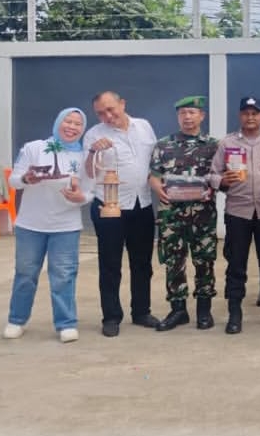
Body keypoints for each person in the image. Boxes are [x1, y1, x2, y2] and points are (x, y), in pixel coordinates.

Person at [3, 108, 91, 343]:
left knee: (63, 275)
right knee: (25, 273)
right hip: (30, 224)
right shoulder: (34, 148)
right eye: (68, 121)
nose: (72, 127)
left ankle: (66, 323)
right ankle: (17, 319)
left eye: (78, 124)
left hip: (66, 226)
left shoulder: (84, 156)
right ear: (58, 122)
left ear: (82, 129)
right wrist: (26, 179)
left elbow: (90, 190)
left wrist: (81, 198)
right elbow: (13, 180)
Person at [84, 91, 160, 337]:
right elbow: (88, 172)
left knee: (142, 262)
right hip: (109, 206)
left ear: (123, 104)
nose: (107, 116)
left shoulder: (144, 126)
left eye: (111, 109)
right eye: (100, 113)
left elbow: (154, 162)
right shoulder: (94, 135)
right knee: (110, 264)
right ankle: (111, 316)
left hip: (141, 203)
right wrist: (93, 152)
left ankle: (141, 311)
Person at [208, 96, 260, 334]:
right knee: (236, 264)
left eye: (255, 113)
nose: (250, 117)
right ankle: (235, 313)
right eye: (246, 113)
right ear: (240, 116)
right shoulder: (227, 143)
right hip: (237, 212)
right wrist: (222, 180)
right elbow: (212, 174)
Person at [148, 96, 220, 332]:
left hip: (203, 214)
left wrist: (214, 187)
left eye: (192, 112)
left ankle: (204, 310)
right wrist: (157, 188)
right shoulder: (163, 145)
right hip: (172, 214)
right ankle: (178, 310)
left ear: (202, 116)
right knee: (174, 261)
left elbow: (222, 176)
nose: (187, 117)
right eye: (182, 113)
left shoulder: (214, 145)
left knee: (204, 260)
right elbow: (154, 175)